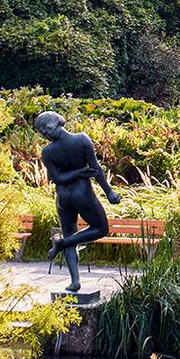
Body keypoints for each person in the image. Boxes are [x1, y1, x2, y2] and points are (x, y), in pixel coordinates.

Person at [33, 110, 120, 294]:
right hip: (82, 193)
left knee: (69, 233)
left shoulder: (48, 152)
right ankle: (63, 245)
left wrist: (106, 190)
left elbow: (58, 178)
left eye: (47, 129)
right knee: (101, 228)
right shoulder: (81, 140)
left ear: (58, 123)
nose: (46, 134)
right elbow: (95, 168)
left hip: (63, 197)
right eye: (42, 132)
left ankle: (74, 280)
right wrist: (108, 191)